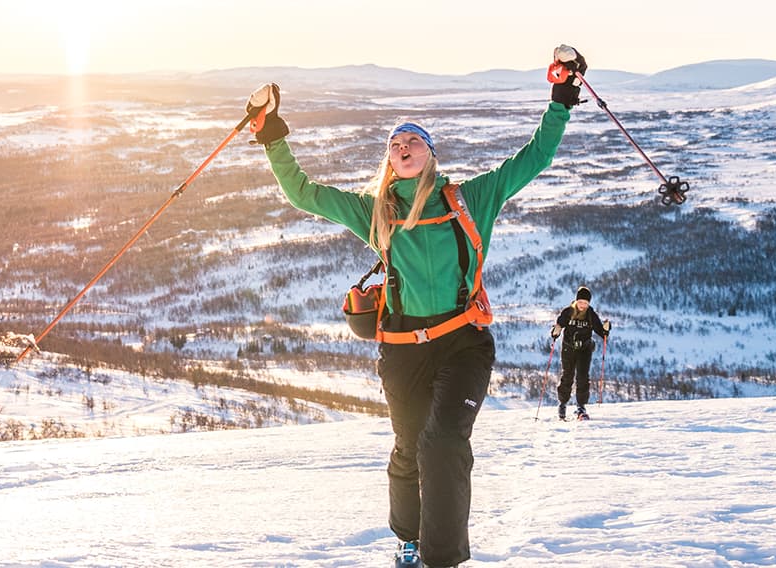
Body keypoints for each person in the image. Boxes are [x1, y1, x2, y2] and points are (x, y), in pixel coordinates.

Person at [247, 47, 586, 568]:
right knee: (410, 447)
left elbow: (534, 156)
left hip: (463, 342)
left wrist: (561, 96)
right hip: (403, 349)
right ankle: (407, 537)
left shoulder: (471, 198)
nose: (402, 147)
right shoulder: (376, 212)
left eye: (412, 141)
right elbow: (304, 193)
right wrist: (271, 132)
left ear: (431, 153)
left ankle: (440, 559)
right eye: (394, 144)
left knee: (444, 442)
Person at [551, 285, 610, 420]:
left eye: (585, 303)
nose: (583, 305)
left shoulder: (591, 314)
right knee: (567, 376)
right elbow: (559, 325)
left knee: (583, 377)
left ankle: (581, 407)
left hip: (584, 349)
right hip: (568, 349)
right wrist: (555, 331)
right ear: (576, 301)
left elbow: (600, 331)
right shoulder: (568, 312)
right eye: (581, 302)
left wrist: (606, 329)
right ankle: (562, 403)